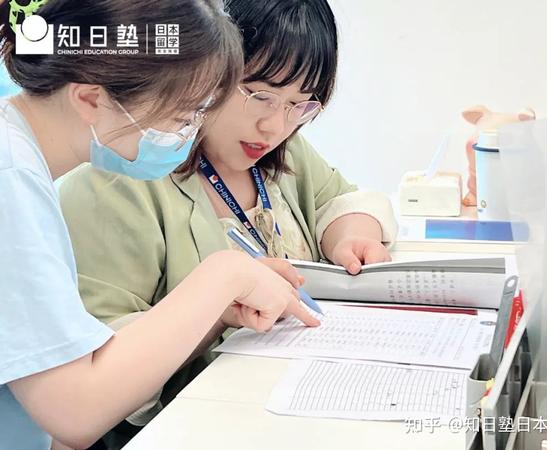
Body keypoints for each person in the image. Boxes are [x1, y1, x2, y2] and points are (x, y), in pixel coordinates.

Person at [58, 0, 397, 446]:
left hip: (292, 405)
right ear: (206, 69)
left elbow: (340, 200)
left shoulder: (282, 154)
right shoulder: (122, 175)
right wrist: (214, 310)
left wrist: (352, 233)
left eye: (300, 105)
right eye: (259, 95)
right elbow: (97, 375)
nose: (274, 125)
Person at [0, 1, 319, 449]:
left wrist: (214, 309)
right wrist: (226, 274)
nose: (189, 134)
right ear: (91, 99)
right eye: (183, 117)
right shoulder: (10, 178)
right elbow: (73, 411)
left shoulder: (18, 158)